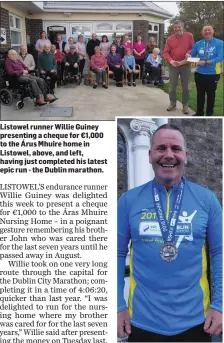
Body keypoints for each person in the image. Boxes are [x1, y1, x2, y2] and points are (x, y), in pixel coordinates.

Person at [118, 123, 222, 343]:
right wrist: (118, 306)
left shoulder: (207, 200)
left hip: (196, 321)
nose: (168, 155)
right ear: (149, 155)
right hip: (142, 322)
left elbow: (220, 252)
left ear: (185, 155)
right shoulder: (128, 201)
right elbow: (116, 255)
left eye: (175, 149)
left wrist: (219, 304)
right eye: (161, 148)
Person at [190, 25, 223, 116]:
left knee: (211, 95)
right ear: (202, 32)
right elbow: (191, 55)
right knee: (200, 94)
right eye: (205, 30)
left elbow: (220, 57)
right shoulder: (198, 43)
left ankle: (209, 113)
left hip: (213, 74)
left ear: (213, 31)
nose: (207, 31)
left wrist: (206, 62)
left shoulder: (219, 43)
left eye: (209, 30)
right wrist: (188, 57)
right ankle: (199, 112)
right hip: (199, 73)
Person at [163, 20, 194, 114]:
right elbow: (165, 52)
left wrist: (188, 54)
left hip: (185, 64)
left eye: (179, 27)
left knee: (186, 87)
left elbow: (193, 48)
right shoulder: (170, 39)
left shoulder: (189, 36)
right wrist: (171, 61)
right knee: (172, 87)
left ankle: (185, 106)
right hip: (174, 65)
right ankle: (173, 104)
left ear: (182, 27)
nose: (177, 29)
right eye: (175, 27)